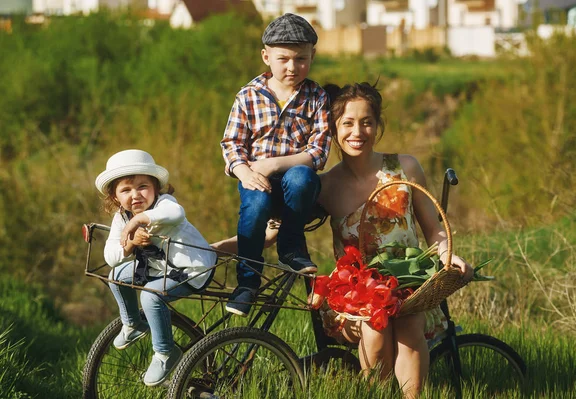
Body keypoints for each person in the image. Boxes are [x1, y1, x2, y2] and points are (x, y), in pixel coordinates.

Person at [213, 82, 474, 398]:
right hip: (357, 290)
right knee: (376, 328)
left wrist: (448, 255)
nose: (358, 131)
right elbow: (271, 234)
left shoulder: (404, 167)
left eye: (367, 122)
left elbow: (434, 228)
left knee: (408, 327)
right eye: (347, 123)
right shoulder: (325, 187)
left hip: (407, 281)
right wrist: (216, 249)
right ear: (332, 129)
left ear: (377, 125)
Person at [220, 13, 331, 317]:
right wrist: (244, 171)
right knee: (254, 209)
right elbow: (232, 144)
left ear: (312, 56)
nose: (292, 67)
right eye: (283, 59)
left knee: (301, 177)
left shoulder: (316, 97)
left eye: (301, 59)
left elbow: (319, 151)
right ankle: (247, 282)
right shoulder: (248, 96)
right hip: (257, 181)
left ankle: (291, 248)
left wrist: (272, 164)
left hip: (297, 187)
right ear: (266, 56)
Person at [95, 149, 216, 387]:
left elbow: (175, 214)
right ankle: (133, 323)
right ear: (115, 196)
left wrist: (139, 220)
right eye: (126, 190)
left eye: (143, 186)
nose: (135, 195)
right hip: (159, 266)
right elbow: (111, 256)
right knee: (116, 275)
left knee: (151, 296)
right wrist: (130, 242)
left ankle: (165, 353)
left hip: (191, 269)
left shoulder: (165, 203)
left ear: (156, 188)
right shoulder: (121, 218)